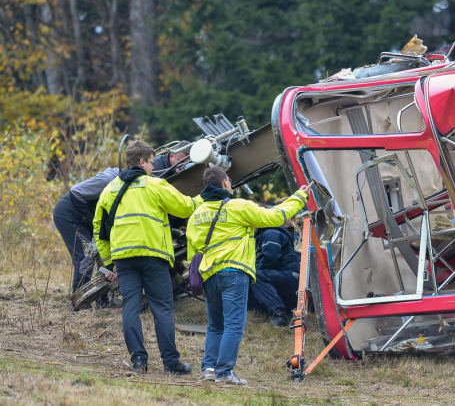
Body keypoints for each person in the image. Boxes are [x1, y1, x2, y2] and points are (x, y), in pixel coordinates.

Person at [187, 167, 309, 385]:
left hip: (209, 275)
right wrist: (299, 197)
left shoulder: (196, 214)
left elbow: (193, 250)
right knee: (234, 324)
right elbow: (275, 217)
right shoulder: (237, 206)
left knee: (215, 325)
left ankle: (208, 369)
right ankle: (225, 372)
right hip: (234, 271)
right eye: (229, 180)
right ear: (225, 182)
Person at [93, 140, 200, 375]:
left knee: (130, 307)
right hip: (153, 256)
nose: (154, 167)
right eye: (152, 162)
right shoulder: (155, 185)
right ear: (142, 162)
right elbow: (185, 208)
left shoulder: (110, 189)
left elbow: (99, 229)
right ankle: (171, 364)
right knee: (162, 309)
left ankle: (139, 361)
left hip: (124, 259)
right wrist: (203, 199)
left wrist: (110, 262)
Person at [52, 167, 119, 308]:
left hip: (86, 221)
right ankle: (80, 303)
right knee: (85, 257)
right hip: (69, 216)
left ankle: (103, 301)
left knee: (102, 256)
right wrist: (90, 220)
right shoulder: (109, 180)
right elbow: (76, 192)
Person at [249, 224, 301, 326]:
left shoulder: (271, 233)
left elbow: (271, 258)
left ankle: (279, 314)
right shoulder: (265, 234)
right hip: (285, 279)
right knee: (249, 279)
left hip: (291, 278)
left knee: (255, 276)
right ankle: (265, 310)